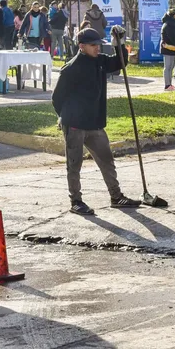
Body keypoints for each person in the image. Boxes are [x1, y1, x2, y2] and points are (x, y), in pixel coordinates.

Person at [52, 26, 151, 215]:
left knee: (107, 160)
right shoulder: (71, 69)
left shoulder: (100, 61)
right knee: (74, 164)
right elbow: (57, 98)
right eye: (93, 45)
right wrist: (64, 118)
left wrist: (118, 42)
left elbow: (119, 63)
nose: (97, 48)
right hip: (75, 124)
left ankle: (116, 196)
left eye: (99, 44)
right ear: (81, 46)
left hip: (95, 124)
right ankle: (76, 201)